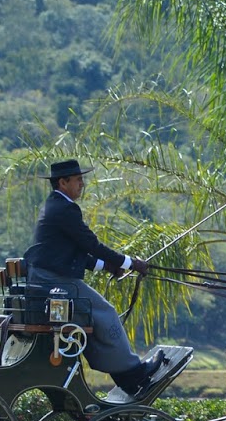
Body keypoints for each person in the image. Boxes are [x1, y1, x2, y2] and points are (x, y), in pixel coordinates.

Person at [22, 158, 167, 400]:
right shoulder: (65, 209)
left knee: (94, 319)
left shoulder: (53, 205)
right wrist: (131, 263)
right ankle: (135, 373)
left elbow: (72, 252)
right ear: (63, 182)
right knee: (105, 312)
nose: (82, 184)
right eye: (78, 180)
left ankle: (125, 377)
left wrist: (107, 266)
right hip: (55, 282)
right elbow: (91, 244)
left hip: (48, 278)